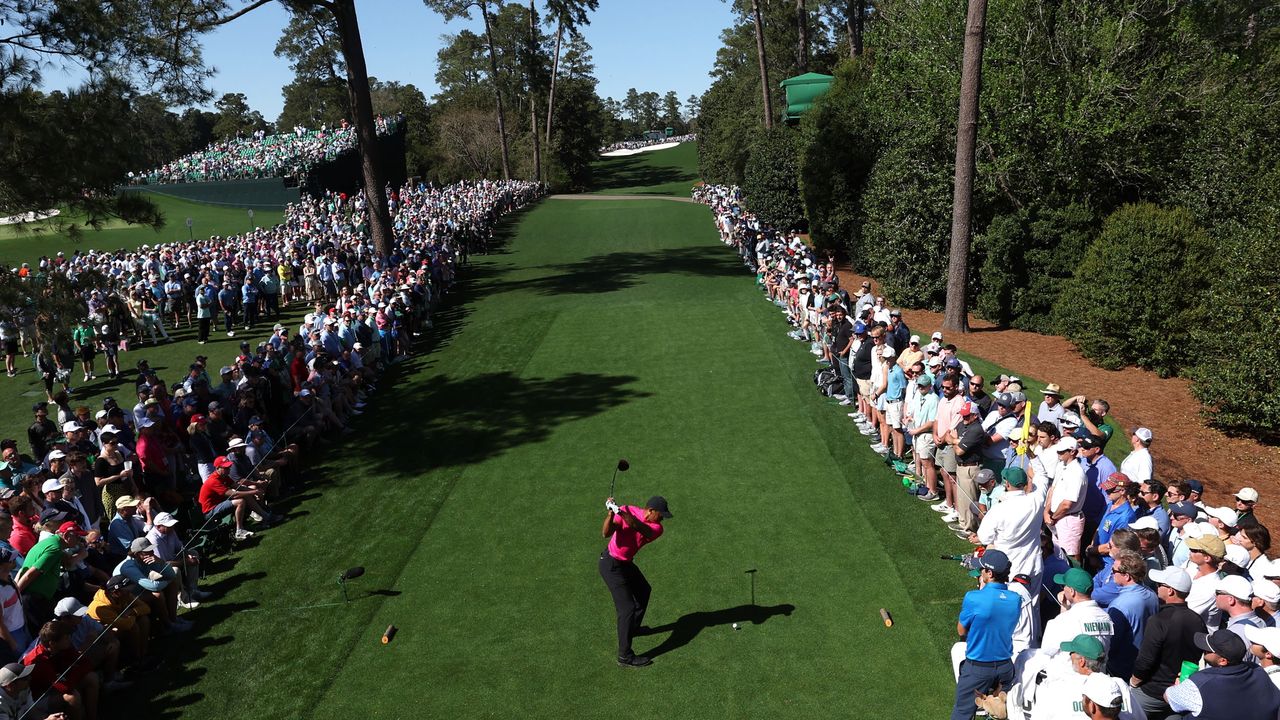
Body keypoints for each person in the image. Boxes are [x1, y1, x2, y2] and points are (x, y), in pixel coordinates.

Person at [599, 495, 671, 668]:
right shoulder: (628, 510)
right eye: (661, 514)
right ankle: (625, 656)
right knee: (627, 608)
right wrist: (611, 514)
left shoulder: (656, 528)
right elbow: (605, 533)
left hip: (625, 564)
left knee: (643, 590)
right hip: (611, 565)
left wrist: (619, 511)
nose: (662, 519)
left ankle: (633, 628)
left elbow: (637, 526)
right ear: (651, 511)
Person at [1128, 566, 1208, 718]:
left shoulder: (1158, 621)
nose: (1157, 587)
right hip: (1179, 693)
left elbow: (1145, 661)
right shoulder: (1197, 620)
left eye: (1160, 585)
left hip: (1151, 694)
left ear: (1170, 591)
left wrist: (1133, 682)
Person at [952, 549, 1020, 720]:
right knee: (1002, 713)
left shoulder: (973, 597)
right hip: (1005, 668)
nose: (980, 572)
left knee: (962, 712)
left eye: (982, 569)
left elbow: (961, 630)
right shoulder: (1016, 599)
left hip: (978, 669)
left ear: (989, 573)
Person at [1165, 629, 1280, 719]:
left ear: (1223, 661)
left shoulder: (1200, 683)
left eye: (1209, 649)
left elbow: (1168, 696)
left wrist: (1180, 685)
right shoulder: (1258, 670)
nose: (1204, 650)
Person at [976, 467, 1045, 597]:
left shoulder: (999, 509)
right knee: (1033, 607)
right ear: (1025, 483)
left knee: (1009, 608)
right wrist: (1033, 456)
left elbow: (984, 537)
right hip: (1033, 565)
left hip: (1010, 568)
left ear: (1007, 484)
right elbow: (1042, 476)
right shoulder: (1037, 500)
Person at [1105, 551, 1159, 678]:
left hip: (1122, 667)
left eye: (1114, 571)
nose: (1112, 574)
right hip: (1144, 662)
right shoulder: (1152, 595)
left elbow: (1112, 642)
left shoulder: (1119, 605)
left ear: (1127, 576)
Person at [1046, 438, 1088, 563]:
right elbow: (1052, 489)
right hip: (1057, 517)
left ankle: (1074, 580)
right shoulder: (1061, 466)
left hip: (1068, 519)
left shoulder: (1077, 473)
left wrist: (1053, 518)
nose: (1058, 454)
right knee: (1057, 553)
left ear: (1072, 452)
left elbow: (1067, 504)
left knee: (1071, 556)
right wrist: (1046, 510)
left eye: (1062, 452)